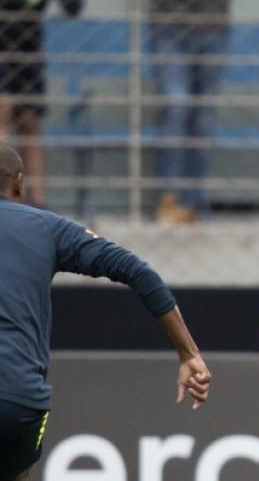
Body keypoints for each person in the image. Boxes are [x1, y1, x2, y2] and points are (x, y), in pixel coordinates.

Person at [0, 140, 211, 481]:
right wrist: (189, 354)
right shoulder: (48, 228)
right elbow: (139, 272)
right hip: (20, 402)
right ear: (19, 182)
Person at [133, 0, 259, 223]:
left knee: (202, 116)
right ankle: (168, 200)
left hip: (213, 24)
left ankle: (192, 204)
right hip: (168, 23)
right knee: (175, 104)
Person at [0, 0, 88, 209]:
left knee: (31, 120)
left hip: (28, 41)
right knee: (2, 111)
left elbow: (73, 2)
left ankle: (36, 205)